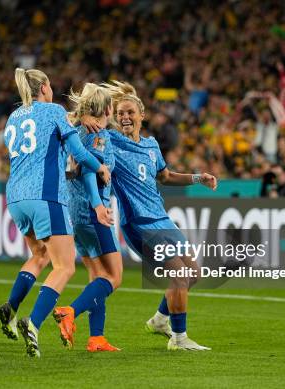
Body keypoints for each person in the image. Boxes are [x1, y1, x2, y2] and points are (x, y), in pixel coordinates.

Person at [94, 81, 217, 351]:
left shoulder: (151, 145)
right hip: (138, 222)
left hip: (161, 218)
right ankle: (179, 338)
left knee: (193, 273)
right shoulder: (111, 141)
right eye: (120, 114)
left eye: (130, 113)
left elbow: (166, 176)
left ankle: (161, 320)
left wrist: (198, 177)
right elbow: (89, 129)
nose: (125, 117)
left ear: (141, 115)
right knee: (180, 276)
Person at [0, 68, 110, 358]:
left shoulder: (14, 116)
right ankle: (33, 324)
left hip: (15, 196)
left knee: (39, 256)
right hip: (45, 195)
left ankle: (11, 309)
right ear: (45, 86)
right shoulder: (54, 110)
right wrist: (100, 167)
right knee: (65, 267)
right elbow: (78, 152)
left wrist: (76, 120)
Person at [53, 83, 121, 352]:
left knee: (97, 276)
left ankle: (96, 338)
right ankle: (71, 311)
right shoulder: (98, 135)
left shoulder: (78, 132)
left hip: (74, 213)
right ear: (107, 108)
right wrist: (97, 206)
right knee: (114, 276)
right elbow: (89, 171)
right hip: (93, 212)